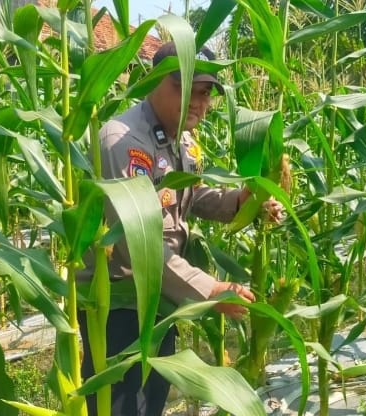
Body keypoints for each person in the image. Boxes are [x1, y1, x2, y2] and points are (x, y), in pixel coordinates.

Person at [78, 42, 282, 415]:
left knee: (153, 400)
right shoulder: (123, 141)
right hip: (120, 304)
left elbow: (192, 195)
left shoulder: (181, 140)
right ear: (154, 80)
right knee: (122, 407)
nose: (197, 102)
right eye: (184, 87)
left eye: (204, 93)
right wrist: (210, 289)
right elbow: (138, 244)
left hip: (160, 298)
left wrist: (245, 202)